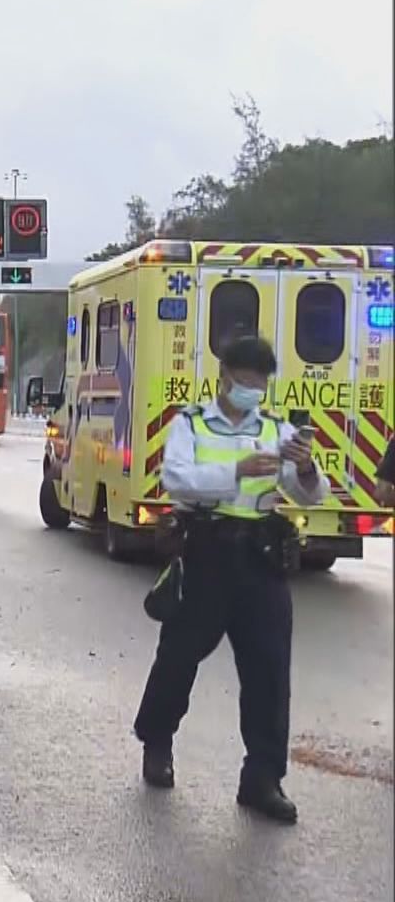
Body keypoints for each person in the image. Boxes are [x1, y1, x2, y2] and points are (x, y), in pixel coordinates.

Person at [134, 335, 327, 824]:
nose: (250, 393)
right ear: (223, 378)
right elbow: (177, 479)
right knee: (179, 655)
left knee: (269, 671)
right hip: (206, 552)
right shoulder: (191, 423)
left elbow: (311, 496)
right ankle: (157, 743)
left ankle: (263, 778)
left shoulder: (276, 430)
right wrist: (236, 471)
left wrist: (305, 468)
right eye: (243, 383)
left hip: (261, 558)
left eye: (259, 386)